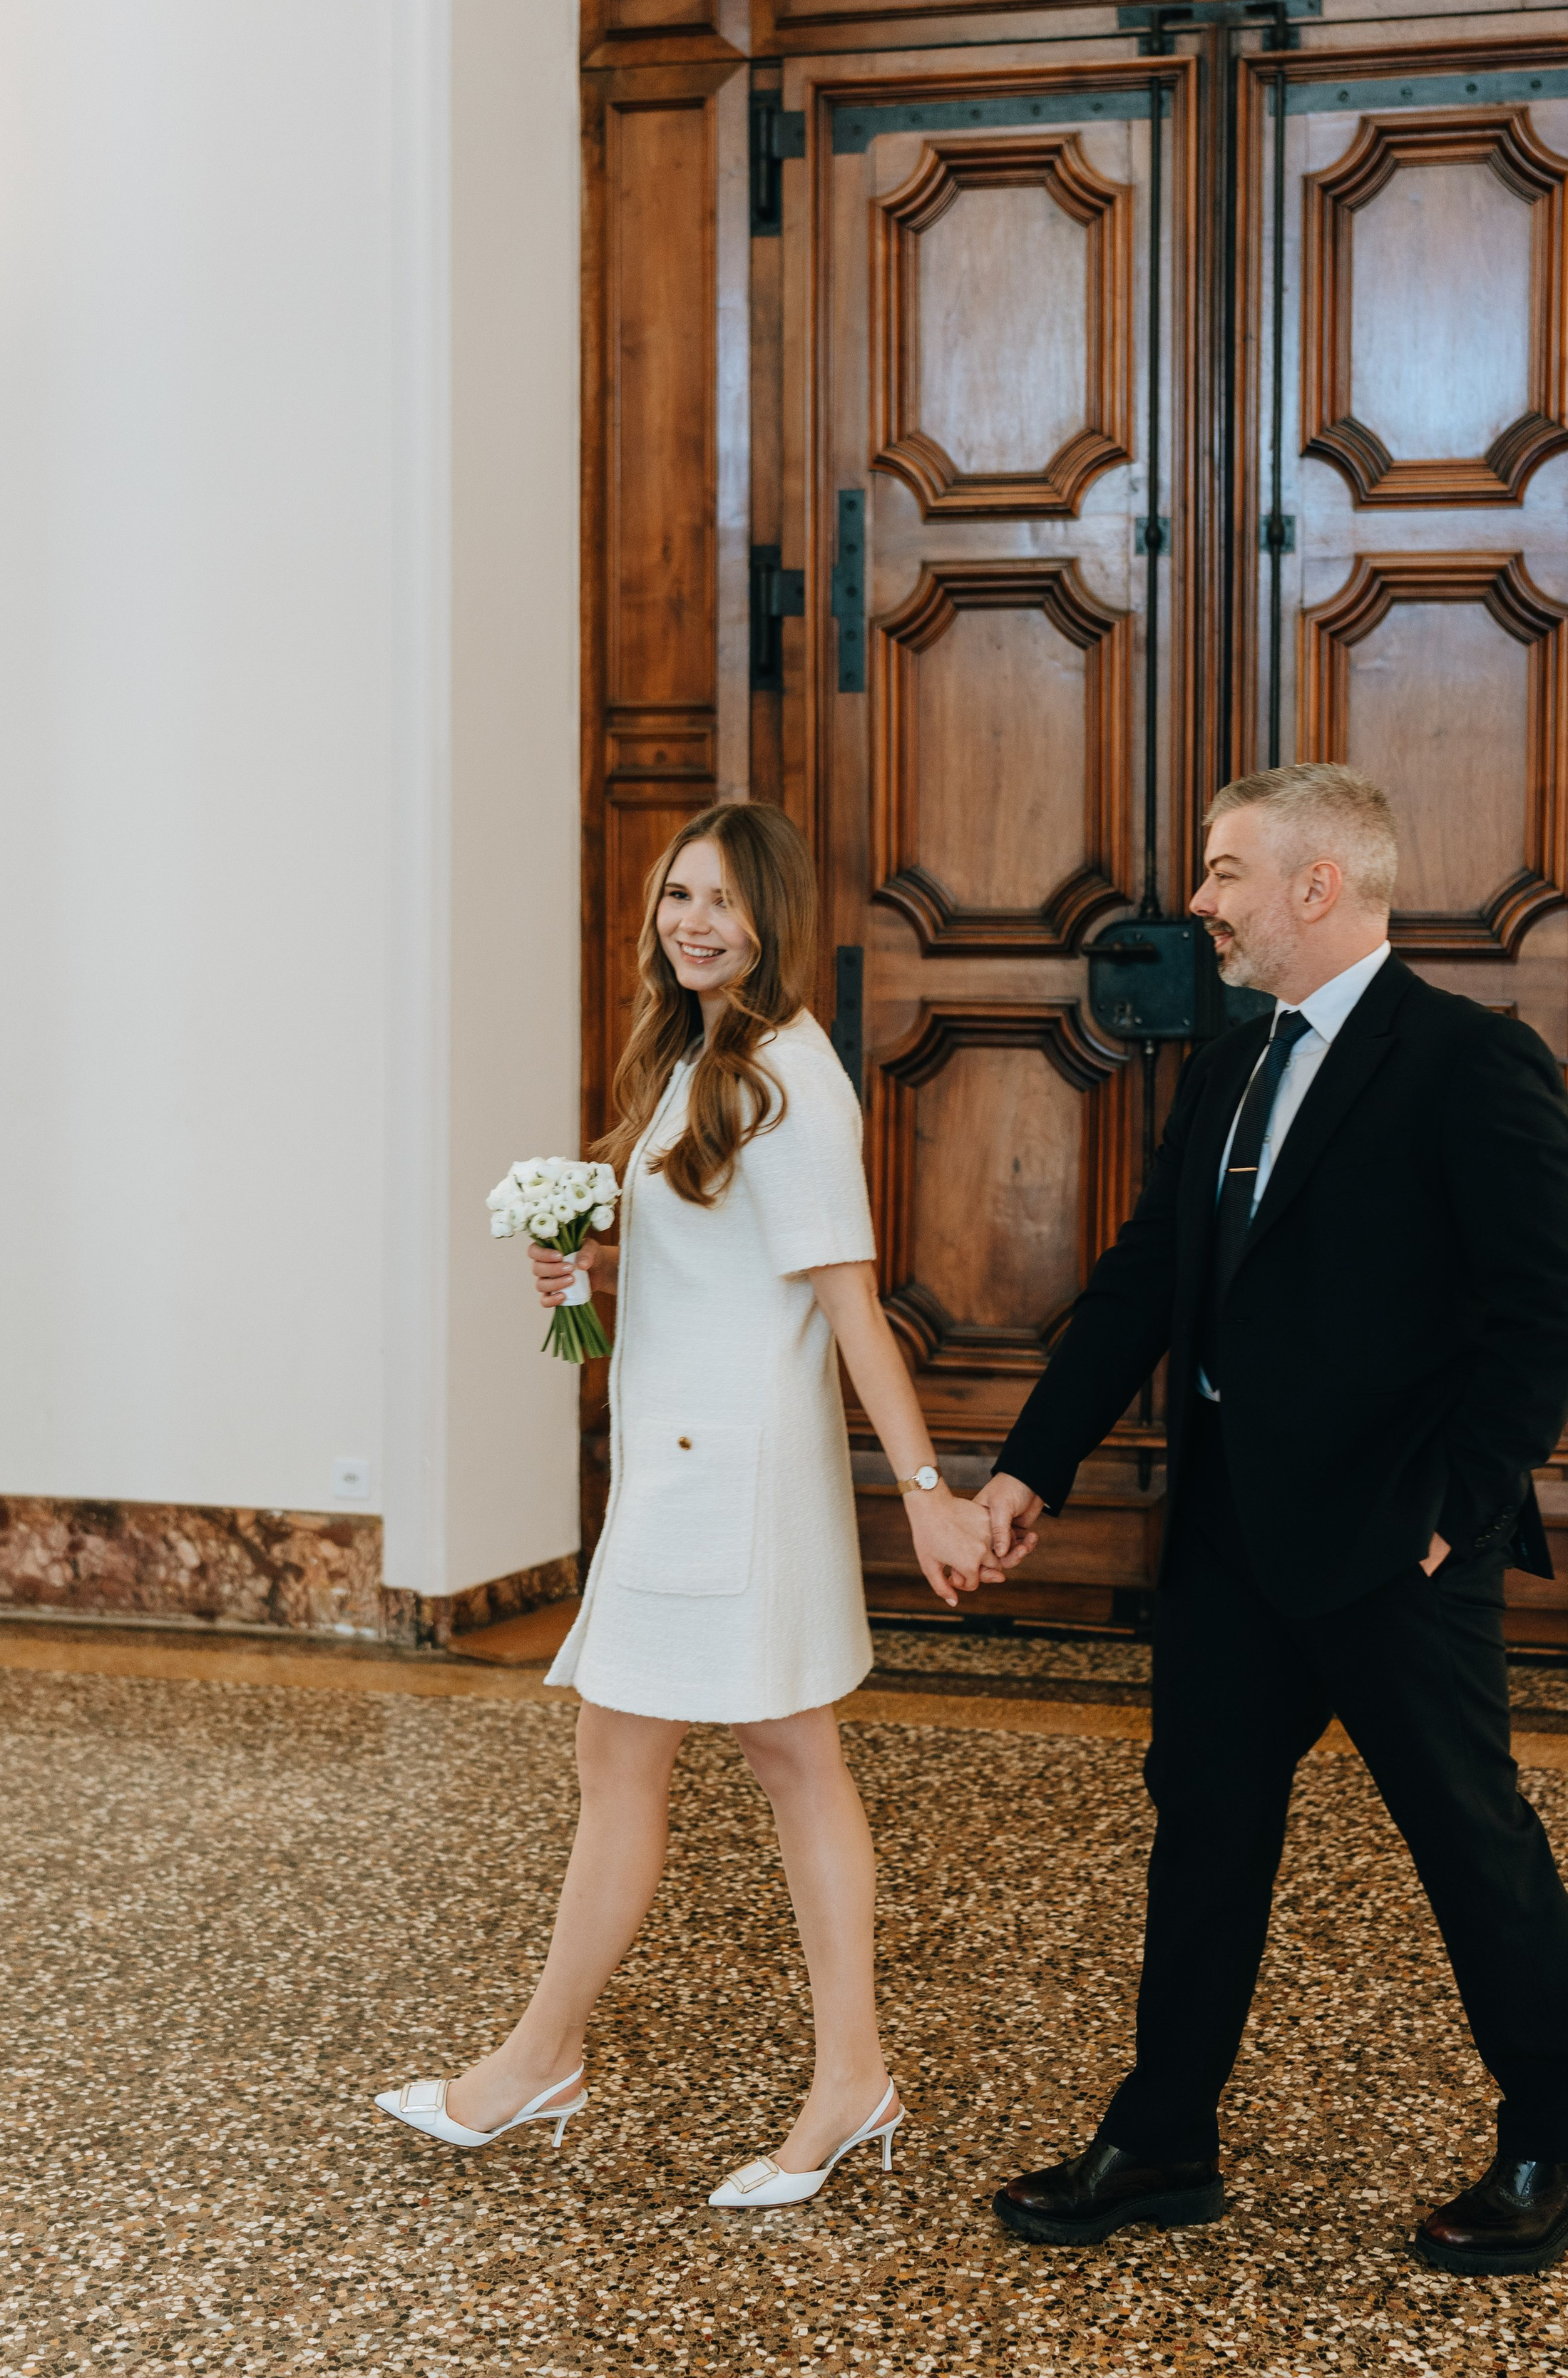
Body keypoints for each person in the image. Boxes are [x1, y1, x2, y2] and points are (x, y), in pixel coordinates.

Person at [977, 762, 1568, 2277]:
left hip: (1389, 1539)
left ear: (1314, 886)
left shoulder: (1465, 1064)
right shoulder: (1224, 1064)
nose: (1198, 904)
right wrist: (1030, 1466)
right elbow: (1146, 1281)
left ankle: (1560, 2137)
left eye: (1221, 874)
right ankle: (1162, 2140)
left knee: (1465, 1835)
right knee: (1201, 1829)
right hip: (1223, 1535)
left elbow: (1549, 1311)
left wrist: (1453, 1508)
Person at [375, 801, 1016, 2205]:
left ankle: (577, 2063)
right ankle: (746, 2068)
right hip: (685, 1465)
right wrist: (584, 1281)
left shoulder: (785, 1075)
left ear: (769, 913)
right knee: (725, 1763)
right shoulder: (696, 1061)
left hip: (723, 1483)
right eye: (676, 896)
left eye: (719, 899)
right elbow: (715, 1285)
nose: (691, 920)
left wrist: (922, 1493)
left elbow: (847, 1302)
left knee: (711, 1766)